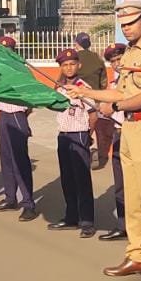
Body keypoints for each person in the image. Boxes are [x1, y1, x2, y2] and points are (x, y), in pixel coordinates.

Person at [68, 0, 141, 281]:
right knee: (132, 196)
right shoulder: (130, 55)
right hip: (130, 128)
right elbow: (119, 93)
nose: (127, 29)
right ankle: (137, 254)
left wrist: (116, 109)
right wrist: (85, 93)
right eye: (122, 24)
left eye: (131, 23)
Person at [47, 48, 97, 238]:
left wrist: (88, 135)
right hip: (64, 135)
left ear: (79, 65)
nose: (68, 68)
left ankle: (87, 221)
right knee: (67, 178)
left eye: (72, 64)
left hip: (79, 135)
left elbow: (93, 116)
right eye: (64, 65)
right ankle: (71, 217)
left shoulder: (84, 88)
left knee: (82, 179)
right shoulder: (59, 87)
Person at [0, 36, 38, 221]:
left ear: (13, 50)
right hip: (3, 113)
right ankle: (10, 197)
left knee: (20, 161)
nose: (5, 52)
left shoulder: (22, 69)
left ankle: (28, 203)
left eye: (8, 49)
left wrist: (24, 116)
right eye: (2, 50)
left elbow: (32, 95)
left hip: (17, 114)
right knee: (6, 159)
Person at [96, 43, 129, 241]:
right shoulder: (114, 81)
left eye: (120, 59)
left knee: (139, 188)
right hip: (118, 133)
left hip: (134, 134)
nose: (117, 64)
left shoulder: (136, 78)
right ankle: (123, 225)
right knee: (120, 185)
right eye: (113, 61)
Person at [73, 33, 108, 170]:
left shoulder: (74, 59)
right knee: (91, 126)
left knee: (76, 128)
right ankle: (92, 151)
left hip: (76, 98)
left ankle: (80, 154)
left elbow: (63, 80)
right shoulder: (97, 59)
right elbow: (103, 81)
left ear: (77, 44)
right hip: (95, 99)